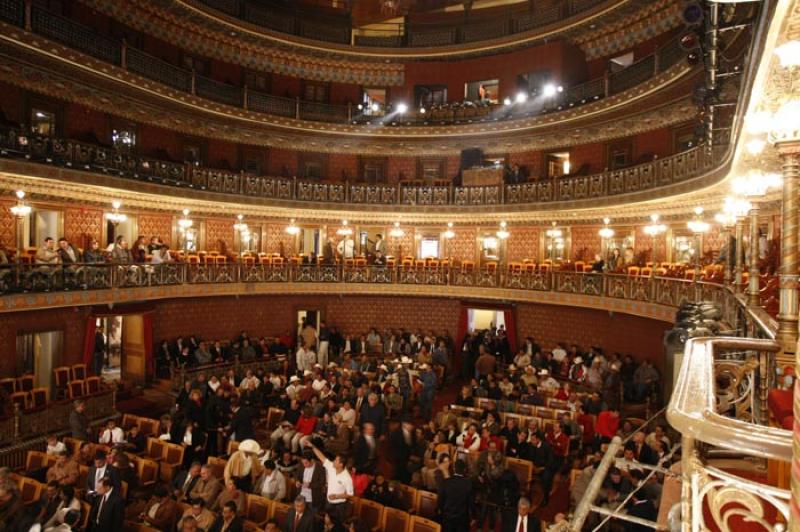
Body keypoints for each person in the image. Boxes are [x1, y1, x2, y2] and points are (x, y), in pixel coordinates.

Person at [304, 441, 353, 525]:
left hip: (340, 506)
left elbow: (350, 494)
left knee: (337, 526)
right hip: (328, 502)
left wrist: (337, 496)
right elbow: (321, 457)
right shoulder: (331, 467)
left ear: (341, 464)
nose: (333, 461)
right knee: (327, 523)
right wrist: (312, 446)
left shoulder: (347, 477)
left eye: (336, 460)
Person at [439, 460, 472, 532]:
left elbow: (440, 501)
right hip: (462, 520)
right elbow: (470, 502)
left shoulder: (446, 482)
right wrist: (473, 516)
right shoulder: (468, 483)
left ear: (454, 469)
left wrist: (442, 513)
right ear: (464, 470)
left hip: (448, 518)